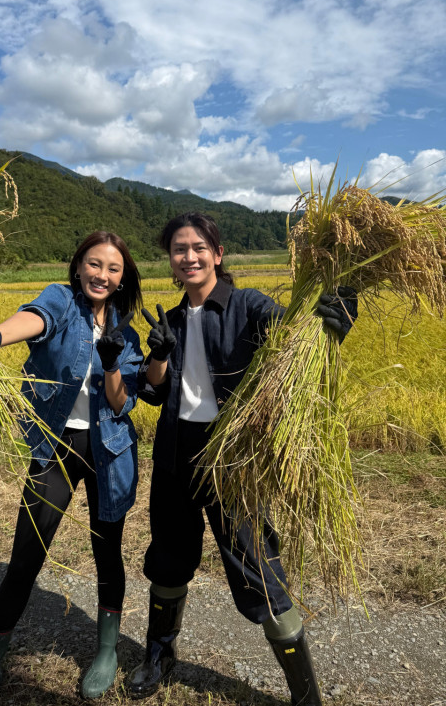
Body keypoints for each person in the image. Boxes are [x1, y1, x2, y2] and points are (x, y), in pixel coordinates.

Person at [128, 212, 357, 706]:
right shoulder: (167, 319)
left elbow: (296, 339)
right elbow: (152, 390)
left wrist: (331, 325)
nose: (188, 257)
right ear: (170, 260)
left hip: (232, 458)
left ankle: (305, 694)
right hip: (175, 453)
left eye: (197, 247)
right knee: (168, 559)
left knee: (258, 567)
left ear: (217, 254)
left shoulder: (247, 306)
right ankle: (159, 658)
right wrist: (159, 354)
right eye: (178, 250)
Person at [0, 231, 143, 705]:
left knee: (106, 547)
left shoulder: (126, 333)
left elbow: (121, 401)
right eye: (94, 264)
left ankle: (106, 651)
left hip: (109, 450)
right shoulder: (61, 301)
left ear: (122, 277)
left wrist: (112, 362)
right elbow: (35, 319)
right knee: (28, 551)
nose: (102, 274)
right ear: (78, 267)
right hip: (55, 445)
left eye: (113, 269)